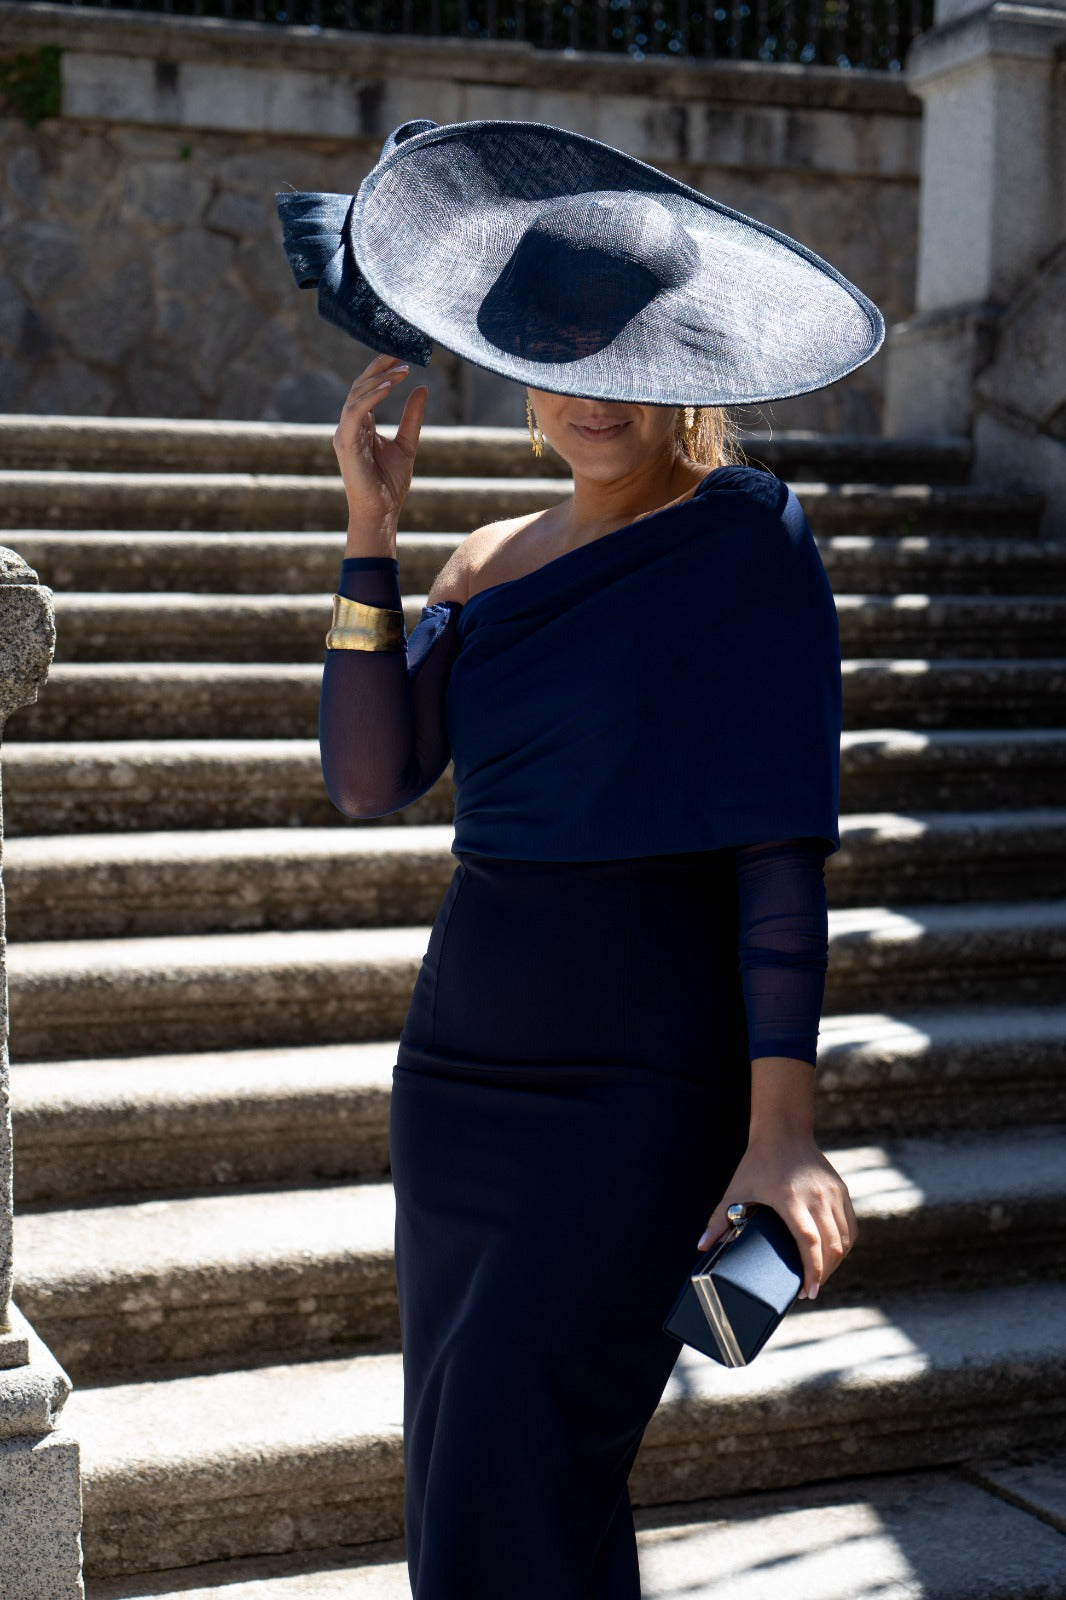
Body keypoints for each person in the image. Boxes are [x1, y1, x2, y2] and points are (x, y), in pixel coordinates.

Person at [280, 118, 881, 1600]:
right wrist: (372, 533)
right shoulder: (485, 558)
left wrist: (782, 1126)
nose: (592, 393)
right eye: (558, 355)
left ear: (686, 366)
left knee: (521, 1464)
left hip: (639, 1088)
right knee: (473, 1472)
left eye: (625, 356)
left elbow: (777, 855)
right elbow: (368, 777)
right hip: (460, 1079)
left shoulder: (745, 540)